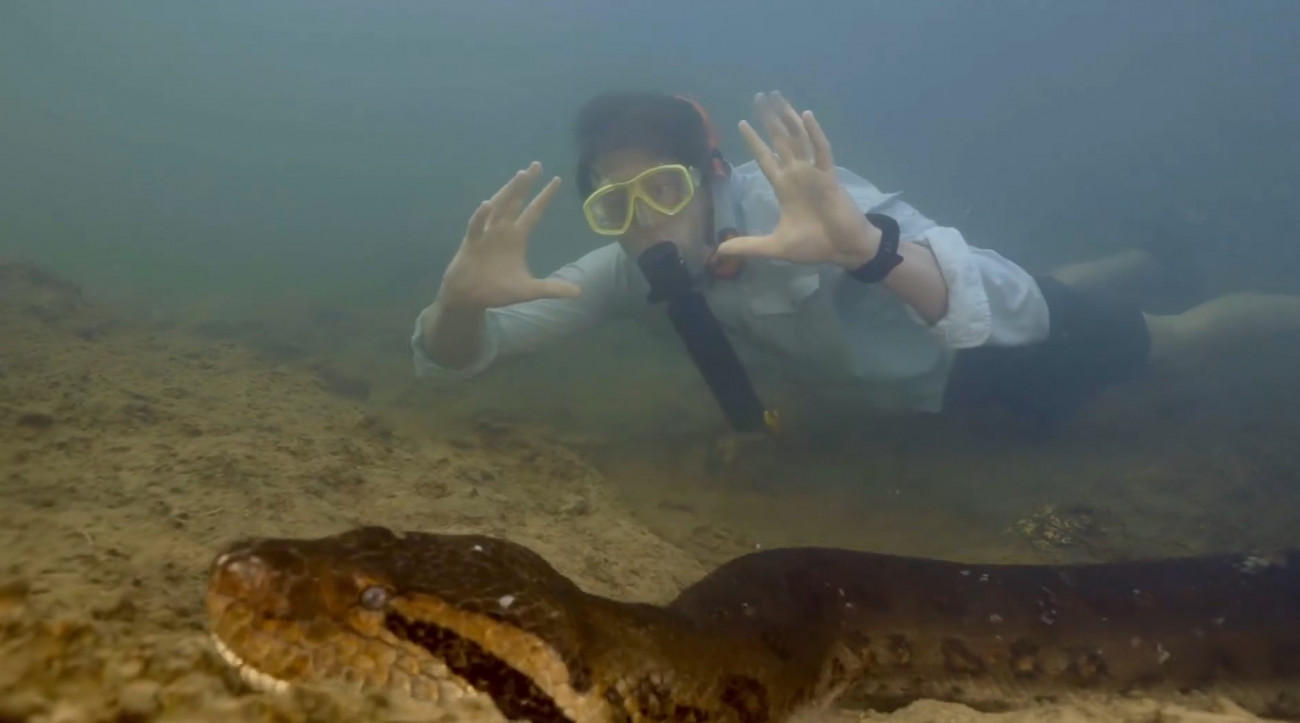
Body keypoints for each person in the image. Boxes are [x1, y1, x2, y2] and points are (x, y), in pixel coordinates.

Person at [411, 89, 1300, 435]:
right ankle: (1148, 250)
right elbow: (461, 356)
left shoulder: (806, 207)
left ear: (714, 175)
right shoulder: (630, 263)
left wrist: (867, 250)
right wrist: (458, 302)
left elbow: (1012, 302)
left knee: (1176, 341)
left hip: (993, 350)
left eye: (666, 189)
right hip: (926, 400)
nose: (645, 226)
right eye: (615, 204)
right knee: (1060, 284)